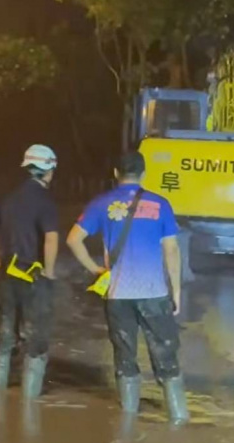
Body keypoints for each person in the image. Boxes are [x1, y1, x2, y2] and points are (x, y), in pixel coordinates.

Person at [66, 151, 188, 424]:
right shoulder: (160, 204)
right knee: (166, 353)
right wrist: (176, 291)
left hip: (118, 295)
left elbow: (73, 239)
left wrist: (95, 268)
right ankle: (179, 419)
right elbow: (172, 250)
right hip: (153, 294)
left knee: (124, 355)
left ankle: (128, 423)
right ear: (144, 174)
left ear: (115, 173)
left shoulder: (101, 203)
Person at [0, 144, 59, 399]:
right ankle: (29, 403)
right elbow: (51, 239)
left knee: (5, 335)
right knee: (35, 339)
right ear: (48, 170)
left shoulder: (9, 196)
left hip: (8, 273)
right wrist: (49, 271)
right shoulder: (45, 201)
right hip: (34, 277)